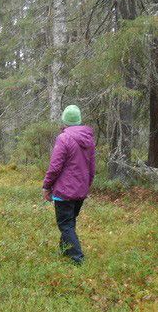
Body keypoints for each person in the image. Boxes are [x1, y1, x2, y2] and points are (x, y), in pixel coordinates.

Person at [42, 104, 96, 264]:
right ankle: (64, 250)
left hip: (64, 192)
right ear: (79, 120)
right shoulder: (89, 139)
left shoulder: (64, 138)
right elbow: (92, 167)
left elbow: (55, 166)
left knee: (65, 224)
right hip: (80, 191)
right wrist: (87, 184)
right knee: (69, 223)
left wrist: (47, 186)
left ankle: (77, 258)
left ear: (64, 121)